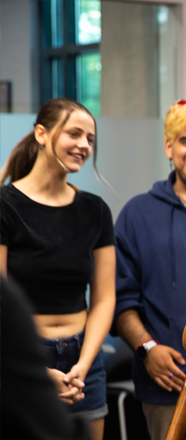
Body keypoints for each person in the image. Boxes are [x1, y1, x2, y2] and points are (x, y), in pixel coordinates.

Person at [0, 98, 116, 440]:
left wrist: (83, 364)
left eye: (90, 139)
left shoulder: (95, 210)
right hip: (22, 355)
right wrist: (40, 368)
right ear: (41, 133)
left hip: (85, 358)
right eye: (74, 134)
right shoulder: (6, 206)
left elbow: (105, 298)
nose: (84, 145)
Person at [113, 99, 186, 440]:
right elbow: (119, 300)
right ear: (168, 147)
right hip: (168, 384)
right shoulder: (137, 215)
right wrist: (147, 349)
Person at [1, 275, 90, 440]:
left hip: (83, 353)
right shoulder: (8, 301)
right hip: (33, 349)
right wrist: (45, 373)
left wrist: (84, 363)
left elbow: (105, 296)